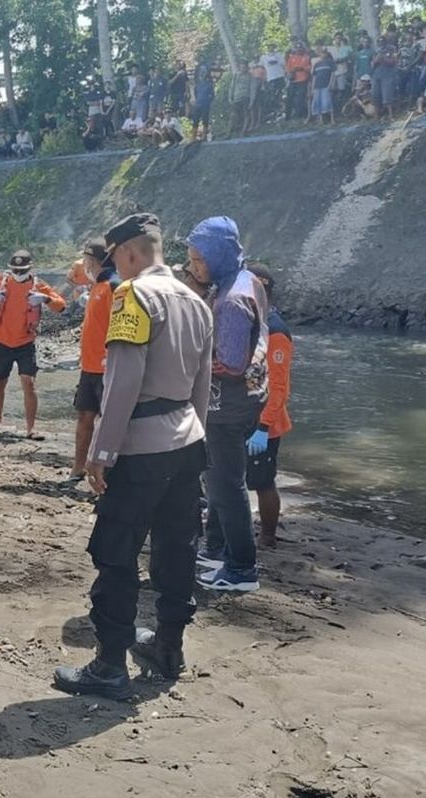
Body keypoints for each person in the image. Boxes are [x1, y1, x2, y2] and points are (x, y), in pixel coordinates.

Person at [53, 213, 213, 697]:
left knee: (117, 555)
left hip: (139, 448)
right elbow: (202, 388)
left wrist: (101, 452)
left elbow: (122, 381)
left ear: (127, 253)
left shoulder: (133, 295)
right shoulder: (196, 301)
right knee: (176, 550)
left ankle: (109, 664)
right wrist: (197, 437)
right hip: (187, 443)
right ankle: (169, 647)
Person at [188, 217, 270, 594]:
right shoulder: (245, 279)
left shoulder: (233, 302)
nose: (193, 267)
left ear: (218, 256)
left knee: (225, 486)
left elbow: (231, 364)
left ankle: (241, 568)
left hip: (228, 406)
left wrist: (188, 359)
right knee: (222, 480)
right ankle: (219, 551)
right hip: (248, 400)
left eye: (198, 260)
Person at [0, 251, 67, 439]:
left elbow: (61, 306)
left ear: (30, 268)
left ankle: (31, 428)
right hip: (1, 341)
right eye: (14, 268)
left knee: (29, 384)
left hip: (25, 343)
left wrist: (45, 299)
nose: (17, 272)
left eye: (22, 269)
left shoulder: (38, 285)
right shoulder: (1, 280)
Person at [245, 265, 292, 550]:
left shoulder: (276, 332)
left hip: (266, 423)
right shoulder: (254, 324)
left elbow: (279, 387)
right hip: (244, 415)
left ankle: (268, 536)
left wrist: (263, 426)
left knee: (263, 481)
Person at [68, 238, 118, 483]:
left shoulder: (112, 286)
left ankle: (106, 470)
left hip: (106, 367)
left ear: (93, 261)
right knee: (84, 416)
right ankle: (78, 468)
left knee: (106, 421)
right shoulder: (97, 287)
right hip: (88, 366)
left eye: (86, 260)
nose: (83, 265)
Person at [371, 39, 399, 118]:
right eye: (379, 41)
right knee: (375, 94)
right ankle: (376, 116)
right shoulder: (376, 51)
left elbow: (394, 61)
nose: (380, 42)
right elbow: (372, 64)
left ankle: (391, 115)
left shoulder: (391, 49)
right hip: (377, 74)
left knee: (387, 95)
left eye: (382, 41)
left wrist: (383, 58)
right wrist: (376, 60)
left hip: (387, 74)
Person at [285, 41, 312, 120]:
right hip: (293, 80)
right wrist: (291, 71)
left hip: (303, 80)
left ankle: (299, 115)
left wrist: (302, 68)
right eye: (297, 48)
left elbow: (310, 67)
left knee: (300, 98)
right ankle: (288, 116)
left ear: (303, 49)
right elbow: (287, 68)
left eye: (300, 48)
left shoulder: (307, 57)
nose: (299, 50)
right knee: (289, 97)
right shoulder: (291, 58)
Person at [310, 46, 337, 123]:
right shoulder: (317, 64)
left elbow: (333, 74)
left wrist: (331, 84)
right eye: (322, 53)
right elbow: (314, 77)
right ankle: (321, 120)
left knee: (328, 102)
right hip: (317, 86)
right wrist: (312, 88)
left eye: (325, 53)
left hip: (326, 85)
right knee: (318, 103)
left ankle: (332, 119)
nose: (323, 54)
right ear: (320, 54)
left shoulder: (330, 62)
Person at [191, 65, 215, 140]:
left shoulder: (209, 84)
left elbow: (212, 95)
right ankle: (193, 137)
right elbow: (195, 94)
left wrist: (208, 101)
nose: (202, 73)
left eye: (204, 71)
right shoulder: (197, 84)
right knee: (195, 120)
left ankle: (204, 136)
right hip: (197, 104)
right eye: (201, 71)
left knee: (205, 120)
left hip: (205, 104)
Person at [229, 61, 253, 135]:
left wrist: (251, 100)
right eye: (241, 67)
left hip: (246, 97)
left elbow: (252, 88)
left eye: (244, 67)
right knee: (234, 115)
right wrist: (230, 97)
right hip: (236, 98)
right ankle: (231, 131)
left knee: (246, 114)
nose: (242, 69)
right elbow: (232, 87)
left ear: (247, 68)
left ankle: (243, 131)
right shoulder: (236, 76)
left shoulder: (250, 76)